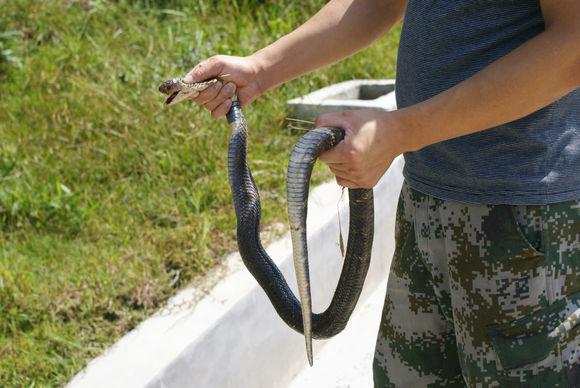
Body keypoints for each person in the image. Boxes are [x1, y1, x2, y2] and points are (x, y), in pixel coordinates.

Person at [184, 0, 580, 386]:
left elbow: (572, 47)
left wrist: (399, 132)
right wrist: (260, 69)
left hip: (526, 221)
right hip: (427, 195)